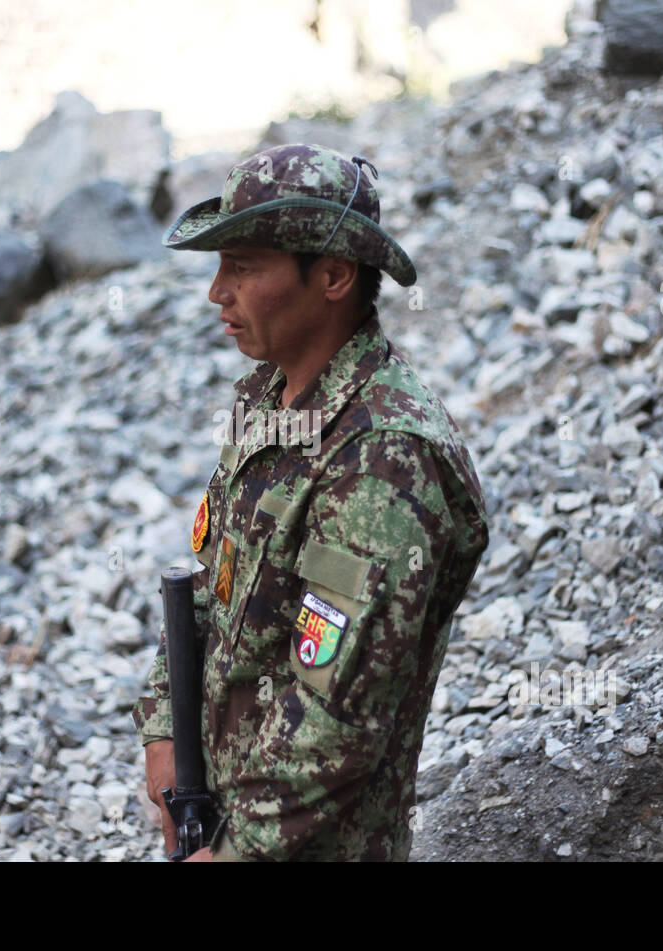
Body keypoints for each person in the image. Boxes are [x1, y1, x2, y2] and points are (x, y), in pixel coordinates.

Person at [132, 143, 489, 861]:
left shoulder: (385, 456)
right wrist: (164, 730)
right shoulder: (269, 396)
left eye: (244, 266)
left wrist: (236, 854)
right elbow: (212, 585)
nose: (216, 293)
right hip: (224, 809)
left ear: (332, 274)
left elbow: (337, 719)